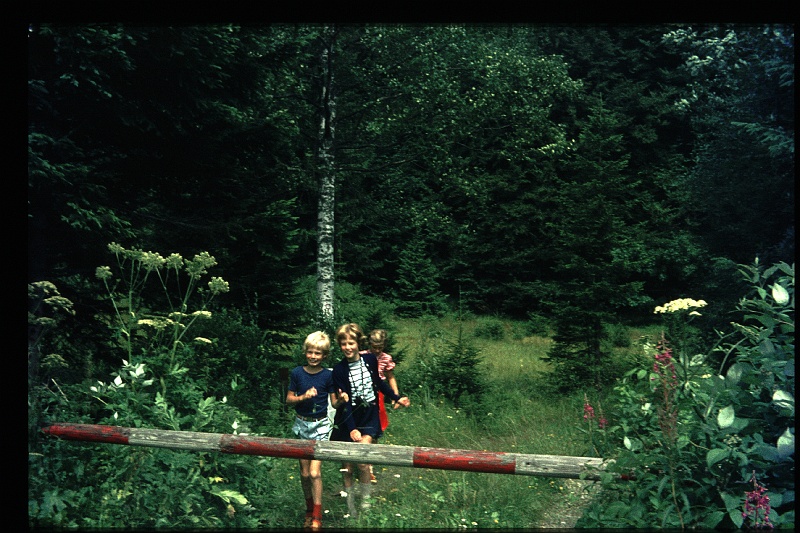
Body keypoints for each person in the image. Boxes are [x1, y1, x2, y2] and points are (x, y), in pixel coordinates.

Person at [330, 323, 411, 516]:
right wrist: (350, 428)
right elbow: (346, 403)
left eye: (351, 343)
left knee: (363, 461)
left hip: (369, 416)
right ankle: (351, 505)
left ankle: (365, 504)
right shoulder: (339, 370)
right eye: (343, 344)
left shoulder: (369, 360)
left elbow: (379, 383)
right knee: (347, 467)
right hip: (349, 419)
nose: (347, 347)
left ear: (359, 343)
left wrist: (396, 397)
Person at [286, 331, 342, 530]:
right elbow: (289, 399)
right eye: (310, 352)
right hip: (302, 425)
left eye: (317, 353)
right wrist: (303, 397)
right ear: (305, 352)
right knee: (303, 473)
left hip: (320, 426)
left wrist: (342, 400)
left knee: (314, 472)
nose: (313, 356)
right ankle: (309, 511)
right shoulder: (297, 373)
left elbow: (334, 403)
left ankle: (318, 516)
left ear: (324, 355)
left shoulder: (328, 375)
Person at [360, 329, 400, 483]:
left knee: (376, 428)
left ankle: (369, 466)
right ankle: (365, 465)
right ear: (370, 344)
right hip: (362, 394)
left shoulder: (386, 358)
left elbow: (390, 378)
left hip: (378, 394)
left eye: (380, 347)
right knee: (363, 427)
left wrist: (395, 397)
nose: (377, 350)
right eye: (374, 347)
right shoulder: (362, 355)